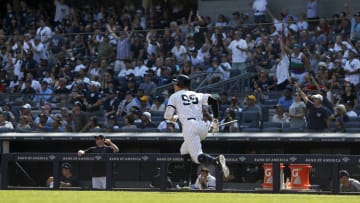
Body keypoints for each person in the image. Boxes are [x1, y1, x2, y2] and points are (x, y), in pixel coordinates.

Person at [164, 74, 229, 186]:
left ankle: (216, 161)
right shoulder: (196, 94)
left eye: (176, 82)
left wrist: (173, 118)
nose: (174, 85)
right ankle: (187, 182)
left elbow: (167, 115)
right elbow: (214, 101)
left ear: (180, 84)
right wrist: (215, 121)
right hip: (202, 126)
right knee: (184, 151)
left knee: (196, 157)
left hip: (190, 127)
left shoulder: (174, 96)